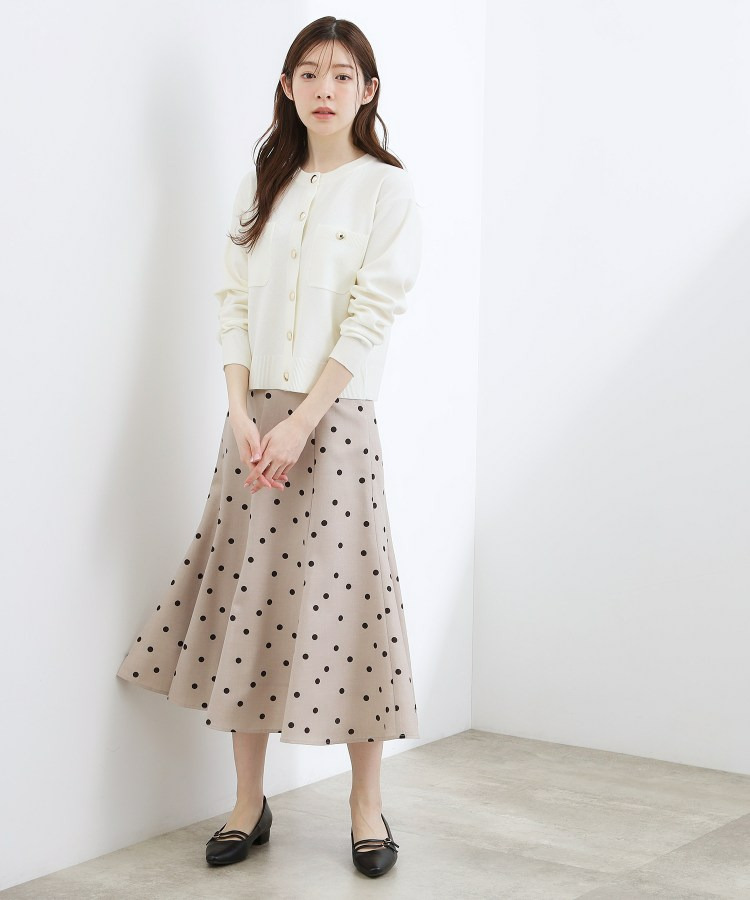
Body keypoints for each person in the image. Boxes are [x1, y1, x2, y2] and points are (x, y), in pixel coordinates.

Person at [116, 15, 422, 879]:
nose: (325, 88)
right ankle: (248, 804)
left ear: (367, 91)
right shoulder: (264, 185)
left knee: (352, 611)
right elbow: (232, 300)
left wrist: (300, 421)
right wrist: (241, 411)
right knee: (252, 604)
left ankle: (366, 806)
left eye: (342, 74)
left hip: (336, 423)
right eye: (308, 73)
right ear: (287, 87)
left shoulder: (387, 191)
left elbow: (372, 313)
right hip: (252, 426)